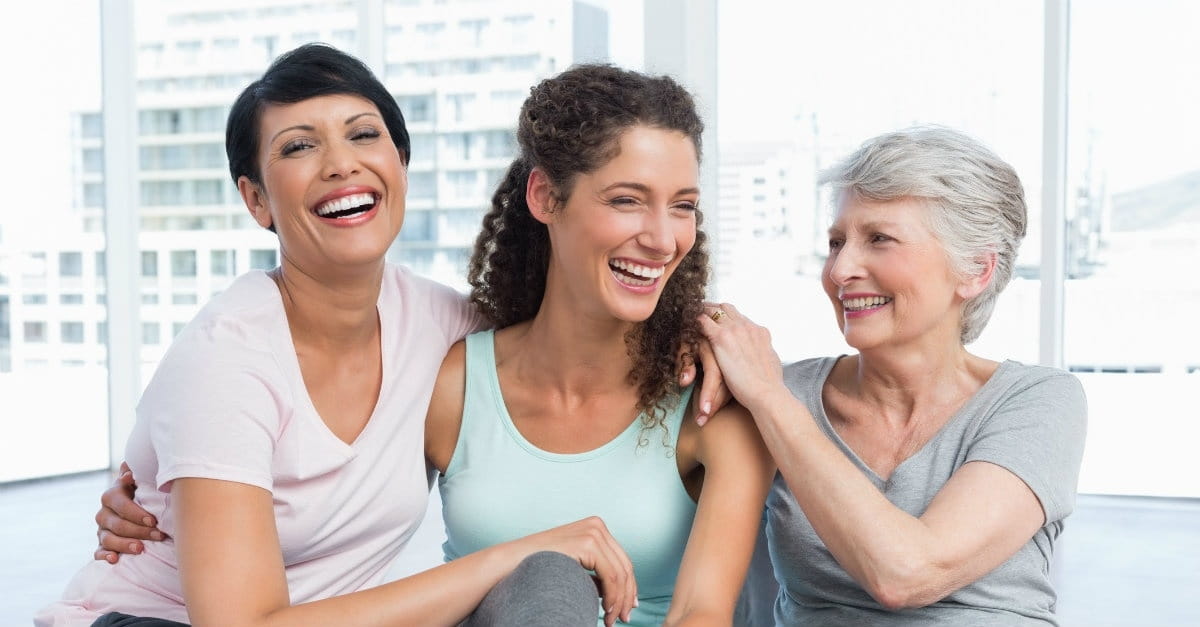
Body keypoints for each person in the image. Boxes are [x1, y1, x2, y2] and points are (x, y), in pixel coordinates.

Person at [67, 54, 772, 627]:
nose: (341, 163)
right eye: (301, 145)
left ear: (401, 165)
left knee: (548, 577)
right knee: (548, 570)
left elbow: (571, 325)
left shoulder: (443, 330)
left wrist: (711, 336)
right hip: (168, 620)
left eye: (363, 134)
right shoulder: (231, 357)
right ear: (256, 201)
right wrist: (155, 490)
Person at [426, 64, 774, 626]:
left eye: (682, 205)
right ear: (544, 196)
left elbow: (702, 613)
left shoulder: (715, 400)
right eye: (626, 200)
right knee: (546, 577)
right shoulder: (456, 383)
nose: (663, 239)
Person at [698, 126, 1088, 625]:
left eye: (879, 239)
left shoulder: (1038, 401)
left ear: (975, 271)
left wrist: (769, 399)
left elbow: (908, 574)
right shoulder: (775, 391)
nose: (840, 271)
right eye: (836, 242)